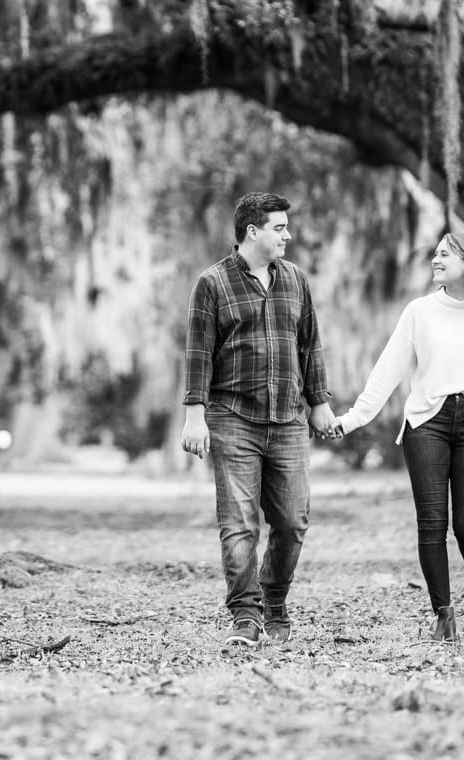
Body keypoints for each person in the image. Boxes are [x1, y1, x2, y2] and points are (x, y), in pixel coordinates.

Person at [328, 231, 464, 641]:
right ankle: (444, 613)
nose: (436, 259)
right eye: (435, 253)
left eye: (445, 254)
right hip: (427, 424)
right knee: (431, 523)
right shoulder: (419, 312)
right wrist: (353, 418)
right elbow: (388, 370)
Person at [181, 192, 338, 647]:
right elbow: (197, 354)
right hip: (233, 417)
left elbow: (310, 345)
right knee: (239, 523)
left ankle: (274, 598)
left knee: (292, 521)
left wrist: (319, 402)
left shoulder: (295, 281)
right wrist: (195, 417)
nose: (288, 235)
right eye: (279, 227)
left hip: (289, 418)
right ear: (253, 232)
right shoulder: (212, 284)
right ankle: (246, 615)